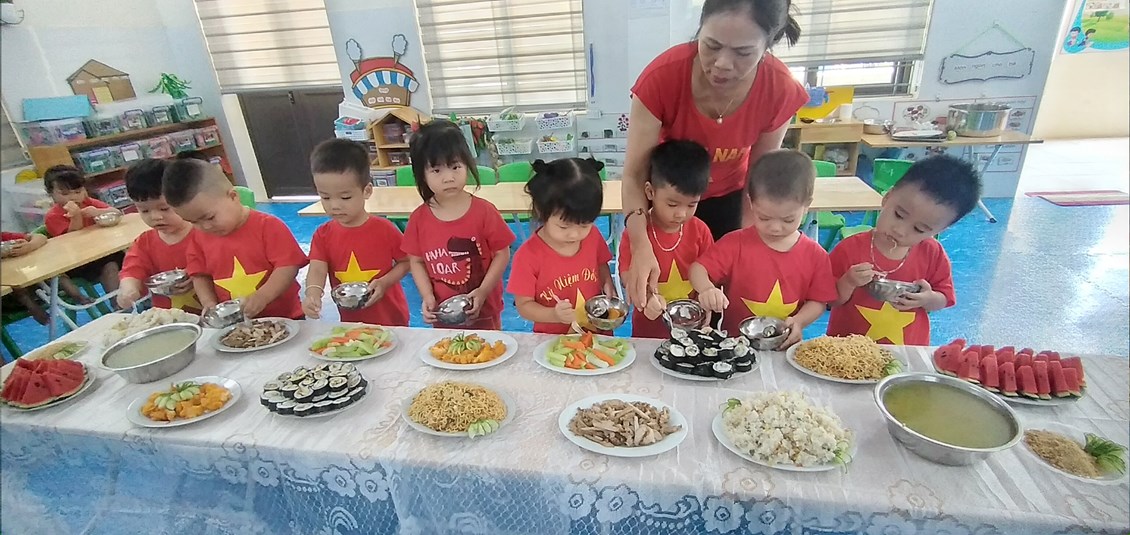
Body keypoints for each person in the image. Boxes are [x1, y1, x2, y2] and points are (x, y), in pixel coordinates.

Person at [621, 0, 810, 310]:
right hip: (667, 200)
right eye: (711, 45)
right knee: (662, 291)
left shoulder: (779, 88)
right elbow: (634, 174)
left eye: (743, 53)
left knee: (719, 299)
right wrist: (640, 245)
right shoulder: (663, 78)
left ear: (767, 46)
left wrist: (749, 240)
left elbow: (758, 179)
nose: (722, 63)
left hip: (730, 200)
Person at [690, 150, 837, 348]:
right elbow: (698, 269)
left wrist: (799, 321)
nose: (775, 227)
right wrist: (707, 289)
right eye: (764, 218)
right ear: (751, 202)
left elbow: (818, 301)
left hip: (784, 344)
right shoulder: (736, 243)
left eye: (788, 219)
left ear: (806, 206)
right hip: (734, 344)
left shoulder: (816, 255)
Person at [828, 155, 981, 346]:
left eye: (919, 229)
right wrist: (848, 282)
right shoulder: (849, 249)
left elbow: (943, 298)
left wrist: (927, 298)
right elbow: (830, 300)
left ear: (940, 230)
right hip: (846, 349)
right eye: (899, 215)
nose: (900, 231)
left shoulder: (932, 254)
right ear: (887, 197)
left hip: (907, 350)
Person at [401, 120, 514, 330]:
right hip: (442, 313)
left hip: (484, 311)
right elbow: (416, 261)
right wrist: (427, 296)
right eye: (436, 170)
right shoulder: (418, 219)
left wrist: (483, 291)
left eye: (455, 167)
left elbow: (502, 253)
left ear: (467, 165)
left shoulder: (484, 211)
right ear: (421, 174)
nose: (449, 178)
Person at [163, 158, 307, 319]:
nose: (205, 227)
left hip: (286, 318)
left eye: (209, 217)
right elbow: (200, 275)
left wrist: (263, 296)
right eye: (193, 222)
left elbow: (288, 267)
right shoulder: (199, 238)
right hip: (234, 322)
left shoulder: (268, 226)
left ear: (233, 196)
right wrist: (208, 303)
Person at [303, 138, 410, 326]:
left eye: (345, 197)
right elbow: (317, 268)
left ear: (366, 191)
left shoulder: (384, 229)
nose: (335, 205)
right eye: (325, 197)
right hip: (351, 322)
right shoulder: (323, 235)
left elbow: (406, 261)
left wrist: (385, 282)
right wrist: (312, 293)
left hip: (391, 319)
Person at [507, 158, 617, 334]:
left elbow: (601, 263)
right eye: (564, 226)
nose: (574, 234)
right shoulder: (527, 256)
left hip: (597, 335)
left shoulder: (593, 236)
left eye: (584, 225)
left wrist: (607, 283)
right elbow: (524, 306)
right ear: (541, 211)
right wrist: (554, 315)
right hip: (552, 341)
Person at [618, 140, 714, 338]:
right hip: (648, 331)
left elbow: (710, 272)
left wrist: (708, 295)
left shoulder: (700, 231)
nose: (681, 214)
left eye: (691, 205)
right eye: (672, 204)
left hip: (691, 329)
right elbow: (627, 275)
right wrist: (646, 298)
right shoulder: (637, 233)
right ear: (650, 192)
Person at [116, 159, 201, 312]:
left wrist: (196, 273)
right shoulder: (144, 243)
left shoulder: (204, 232)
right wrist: (128, 289)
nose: (155, 217)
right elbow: (133, 269)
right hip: (170, 317)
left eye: (164, 208)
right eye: (144, 210)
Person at [42, 165, 123, 296]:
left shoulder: (88, 202)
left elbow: (117, 213)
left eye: (78, 192)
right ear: (51, 194)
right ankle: (118, 302)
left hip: (102, 250)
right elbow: (73, 239)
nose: (73, 197)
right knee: (110, 266)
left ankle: (138, 294)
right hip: (78, 261)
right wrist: (76, 216)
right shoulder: (53, 216)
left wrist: (98, 211)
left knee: (133, 254)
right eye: (65, 194)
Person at [1, 230, 50, 324]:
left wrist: (29, 246)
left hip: (20, 286)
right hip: (6, 297)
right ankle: (28, 301)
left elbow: (40, 236)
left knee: (47, 273)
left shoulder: (3, 237)